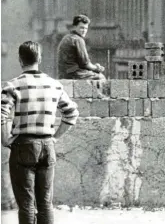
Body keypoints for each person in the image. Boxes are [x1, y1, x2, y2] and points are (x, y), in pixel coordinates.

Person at [1, 41, 79, 224]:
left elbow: (1, 113)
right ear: (40, 59)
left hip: (23, 145)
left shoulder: (13, 85)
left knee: (26, 204)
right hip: (47, 146)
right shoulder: (54, 85)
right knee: (45, 203)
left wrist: (5, 138)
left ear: (20, 60)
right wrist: (55, 137)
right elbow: (72, 113)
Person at [57, 15, 107, 97]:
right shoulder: (78, 39)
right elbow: (85, 63)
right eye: (81, 28)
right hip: (73, 74)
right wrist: (97, 68)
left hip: (63, 74)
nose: (84, 31)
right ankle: (100, 98)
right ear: (75, 26)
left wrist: (94, 67)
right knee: (101, 77)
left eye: (86, 28)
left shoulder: (67, 37)